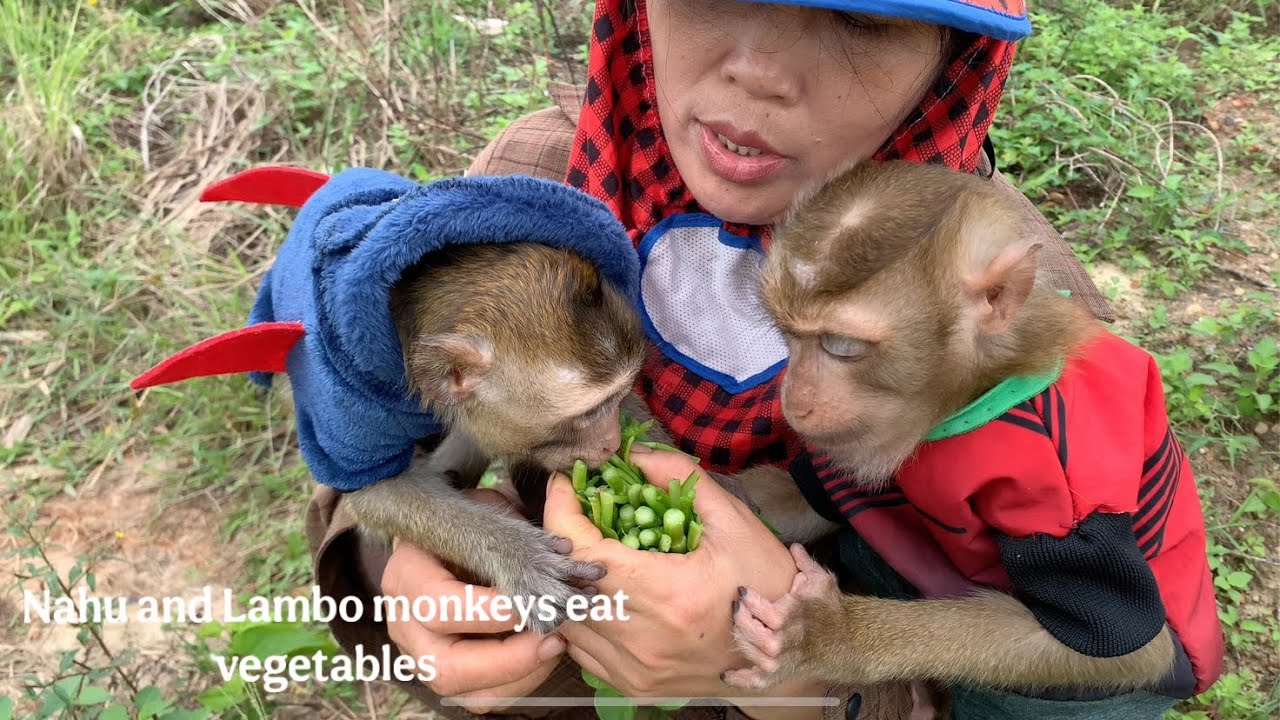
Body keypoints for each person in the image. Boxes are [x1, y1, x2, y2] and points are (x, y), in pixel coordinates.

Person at [304, 1, 1222, 718]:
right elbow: (371, 445)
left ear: (953, 62)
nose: (760, 71)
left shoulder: (997, 322)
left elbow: (1092, 648)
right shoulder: (531, 196)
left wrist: (786, 675)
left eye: (866, 17)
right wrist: (405, 570)